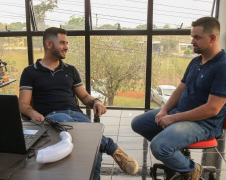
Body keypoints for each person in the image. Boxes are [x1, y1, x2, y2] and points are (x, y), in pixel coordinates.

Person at [19, 27, 139, 180]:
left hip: (75, 114)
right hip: (52, 118)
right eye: (62, 43)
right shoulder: (30, 72)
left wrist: (95, 101)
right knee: (89, 135)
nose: (66, 47)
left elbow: (85, 97)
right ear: (49, 44)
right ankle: (113, 148)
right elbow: (23, 104)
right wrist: (32, 112)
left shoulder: (71, 70)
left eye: (67, 43)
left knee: (93, 146)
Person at [131, 17, 226, 180]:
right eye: (192, 37)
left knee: (159, 146)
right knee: (138, 123)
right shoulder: (196, 61)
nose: (192, 42)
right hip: (180, 113)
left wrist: (173, 118)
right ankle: (175, 154)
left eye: (197, 37)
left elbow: (212, 109)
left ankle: (191, 169)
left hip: (204, 123)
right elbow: (180, 89)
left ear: (212, 38)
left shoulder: (222, 67)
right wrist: (164, 110)